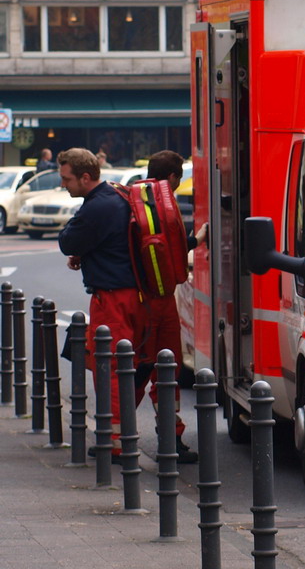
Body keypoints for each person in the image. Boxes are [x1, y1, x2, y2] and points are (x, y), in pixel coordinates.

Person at [56, 148, 150, 461]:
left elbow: (68, 240)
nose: (64, 184)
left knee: (108, 367)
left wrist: (73, 239)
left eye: (67, 179)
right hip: (132, 293)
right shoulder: (117, 196)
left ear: (85, 177)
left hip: (112, 297)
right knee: (123, 365)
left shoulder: (96, 207)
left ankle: (117, 441)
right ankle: (122, 432)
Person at [134, 150, 208, 464]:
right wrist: (197, 240)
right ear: (174, 178)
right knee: (166, 370)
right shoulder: (166, 205)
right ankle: (170, 437)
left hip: (139, 297)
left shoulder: (134, 200)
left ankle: (113, 433)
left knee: (140, 368)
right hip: (161, 302)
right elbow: (174, 254)